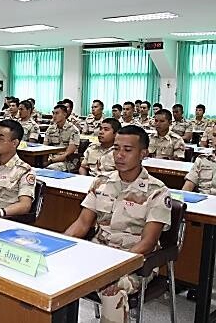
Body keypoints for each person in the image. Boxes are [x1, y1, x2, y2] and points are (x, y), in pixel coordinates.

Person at [65, 125, 171, 323]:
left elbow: (148, 242)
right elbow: (82, 223)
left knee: (111, 289)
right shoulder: (102, 182)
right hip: (99, 251)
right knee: (58, 272)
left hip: (136, 261)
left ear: (143, 154)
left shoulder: (157, 191)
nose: (119, 155)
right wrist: (59, 246)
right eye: (116, 148)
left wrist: (115, 268)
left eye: (127, 150)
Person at [43, 104, 80, 172]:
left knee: (51, 168)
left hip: (67, 161)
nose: (54, 116)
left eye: (57, 113)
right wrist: (44, 161)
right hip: (51, 159)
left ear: (65, 114)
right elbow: (45, 148)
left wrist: (51, 161)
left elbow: (68, 154)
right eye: (53, 113)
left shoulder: (73, 130)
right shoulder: (50, 129)